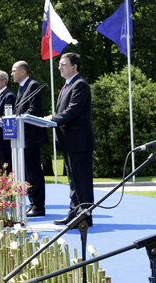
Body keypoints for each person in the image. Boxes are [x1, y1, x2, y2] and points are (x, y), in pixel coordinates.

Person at [44, 53, 96, 227]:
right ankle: (75, 213)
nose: (60, 67)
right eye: (59, 64)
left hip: (79, 143)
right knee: (74, 181)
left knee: (82, 182)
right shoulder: (68, 85)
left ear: (75, 66)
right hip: (69, 142)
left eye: (64, 64)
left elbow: (72, 111)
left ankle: (84, 217)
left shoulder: (80, 84)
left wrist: (52, 118)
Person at [11, 61, 49, 217]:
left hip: (31, 137)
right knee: (27, 174)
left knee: (34, 173)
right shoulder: (21, 88)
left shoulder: (33, 85)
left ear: (23, 72)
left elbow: (34, 110)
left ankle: (39, 206)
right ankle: (33, 203)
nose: (12, 73)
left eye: (14, 70)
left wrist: (16, 117)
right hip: (23, 137)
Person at [0, 70, 16, 174]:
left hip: (3, 140)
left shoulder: (9, 96)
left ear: (3, 81)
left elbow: (7, 117)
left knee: (6, 170)